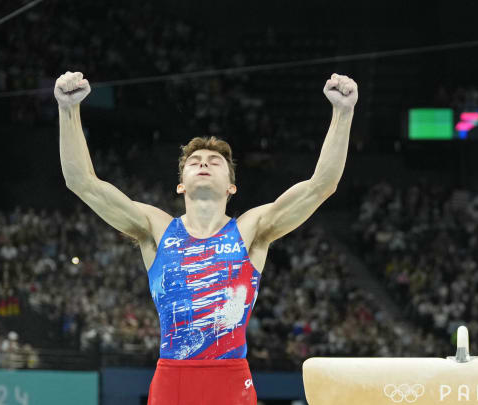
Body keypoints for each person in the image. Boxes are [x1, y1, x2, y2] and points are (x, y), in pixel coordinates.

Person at [54, 71, 358, 405]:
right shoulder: (156, 228)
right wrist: (68, 111)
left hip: (229, 377)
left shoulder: (251, 229)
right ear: (181, 184)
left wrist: (343, 113)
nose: (204, 163)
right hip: (173, 377)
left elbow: (320, 186)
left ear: (231, 187)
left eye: (214, 161)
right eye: (195, 161)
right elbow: (82, 182)